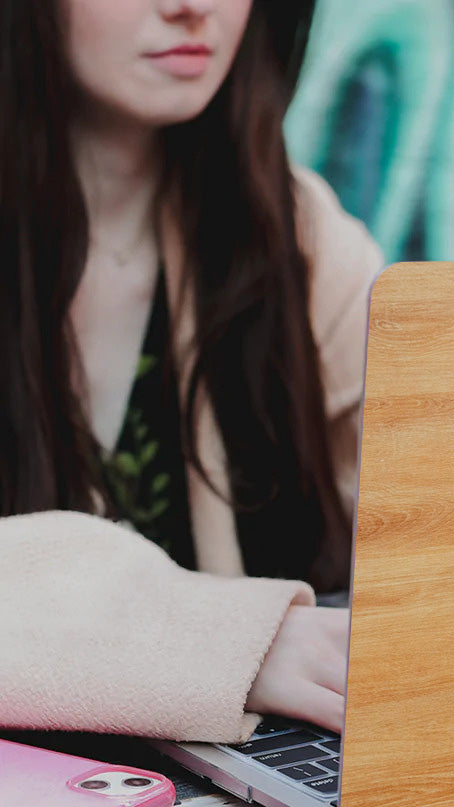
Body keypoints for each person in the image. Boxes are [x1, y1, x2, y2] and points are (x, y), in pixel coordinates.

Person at [0, 1, 383, 742]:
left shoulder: (295, 234)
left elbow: (444, 498)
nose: (192, 7)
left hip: (239, 804)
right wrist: (234, 641)